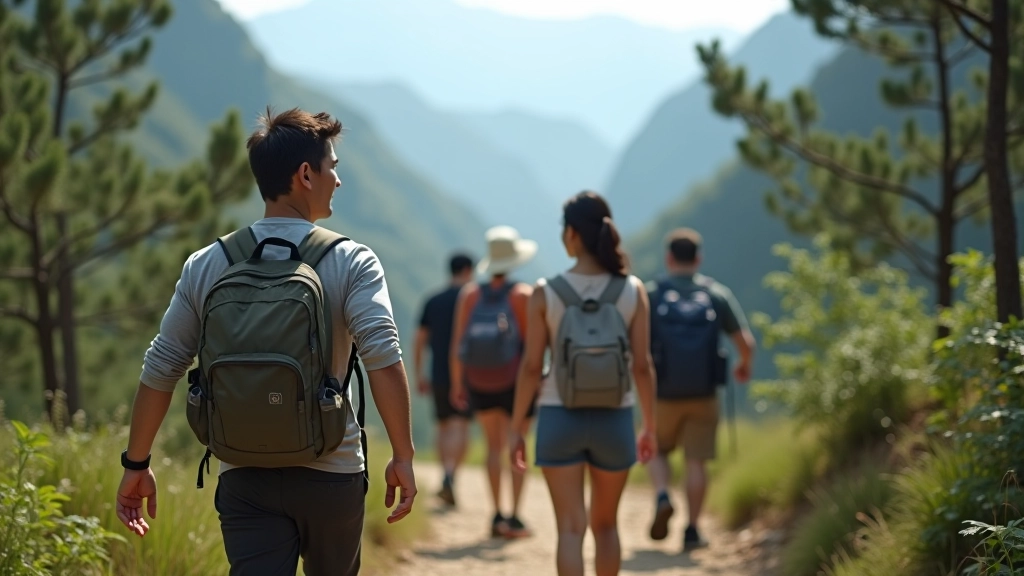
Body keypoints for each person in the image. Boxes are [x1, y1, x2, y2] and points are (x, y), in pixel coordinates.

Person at [113, 107, 418, 576]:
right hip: (331, 472)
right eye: (332, 167)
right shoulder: (352, 260)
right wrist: (402, 455)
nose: (337, 180)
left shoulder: (208, 263)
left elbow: (162, 366)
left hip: (243, 472)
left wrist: (136, 463)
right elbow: (382, 355)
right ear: (305, 174)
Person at [510, 191, 657, 576]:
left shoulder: (545, 292)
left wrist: (516, 429)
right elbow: (642, 366)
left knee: (571, 530)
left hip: (560, 417)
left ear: (572, 234)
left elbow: (530, 368)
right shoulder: (632, 290)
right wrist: (650, 427)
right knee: (606, 526)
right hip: (616, 417)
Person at [645, 227, 755, 551]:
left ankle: (662, 494)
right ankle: (692, 530)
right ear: (698, 258)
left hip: (662, 392)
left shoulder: (652, 294)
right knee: (696, 462)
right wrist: (743, 365)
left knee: (657, 449)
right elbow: (745, 343)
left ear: (668, 258)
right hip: (704, 393)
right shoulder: (716, 295)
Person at [450, 225, 537, 539]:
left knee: (492, 447)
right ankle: (515, 515)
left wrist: (458, 383)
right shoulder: (522, 295)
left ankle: (496, 513)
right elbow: (531, 350)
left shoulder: (470, 294)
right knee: (517, 444)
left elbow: (458, 344)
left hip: (480, 380)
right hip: (515, 384)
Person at [415, 253, 476, 507]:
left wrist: (419, 372)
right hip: (468, 374)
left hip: (438, 372)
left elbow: (419, 340)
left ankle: (445, 474)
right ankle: (452, 475)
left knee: (443, 426)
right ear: (467, 270)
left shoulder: (433, 301)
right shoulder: (474, 300)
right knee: (460, 425)